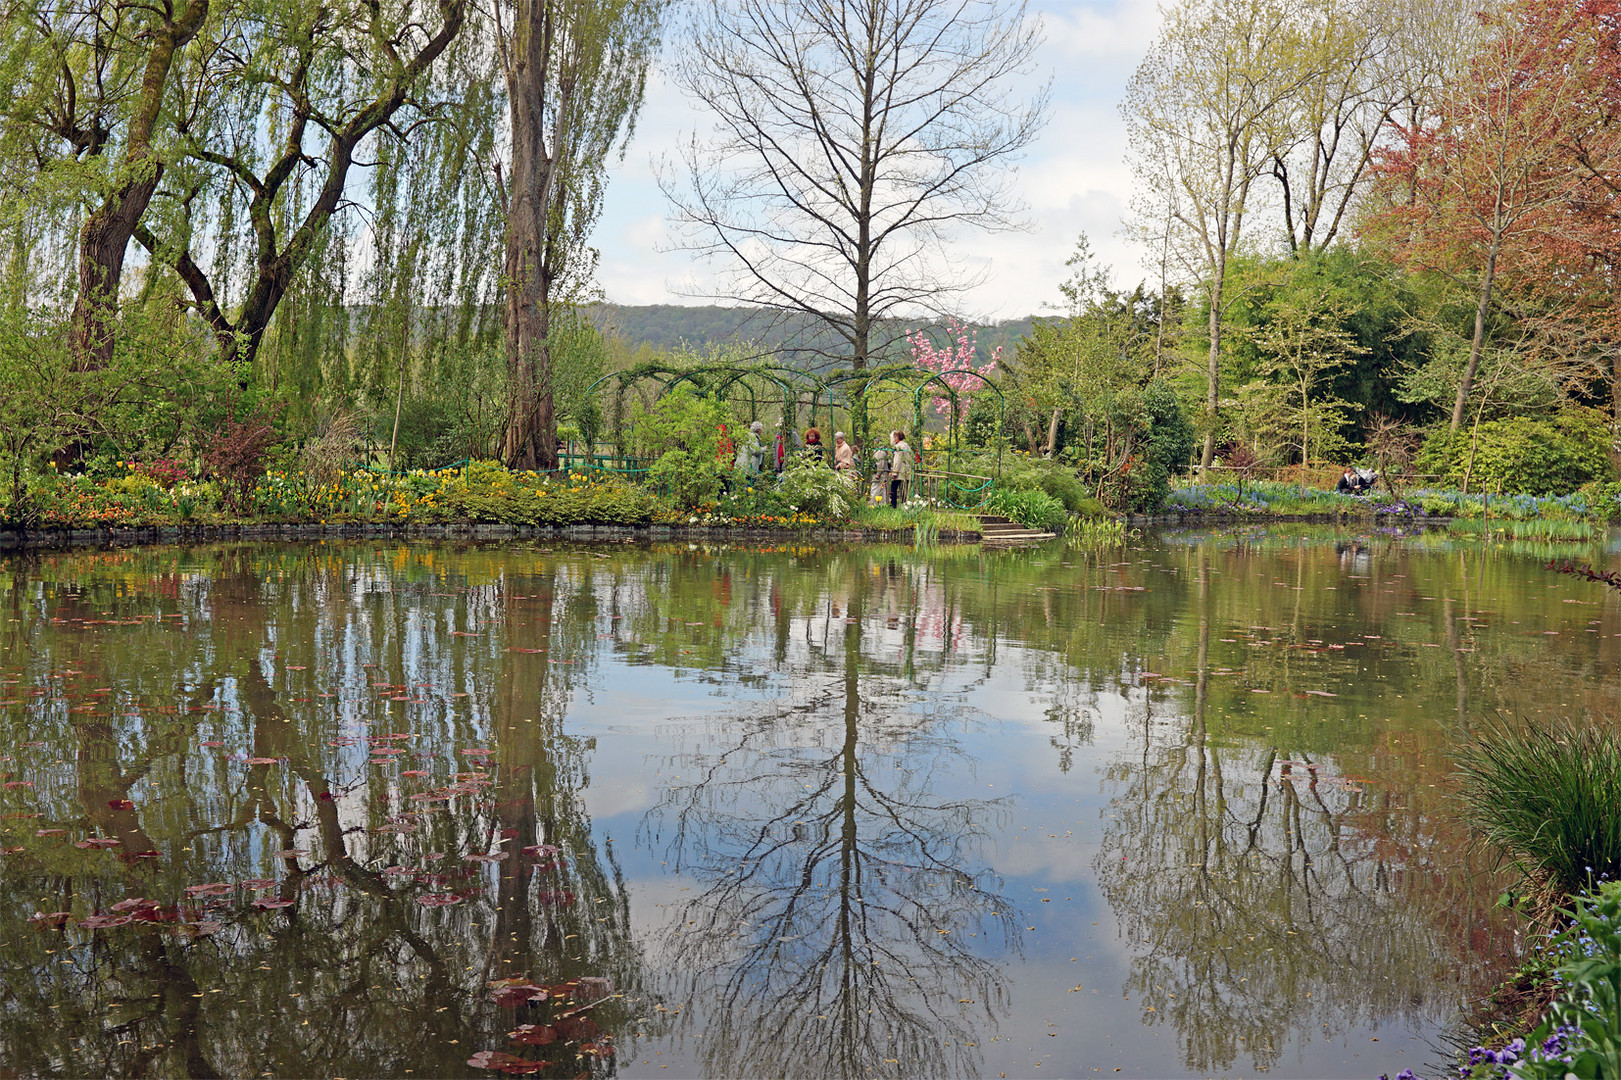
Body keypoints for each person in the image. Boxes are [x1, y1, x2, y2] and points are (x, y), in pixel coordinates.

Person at [889, 429, 913, 507]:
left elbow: (897, 460)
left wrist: (894, 472)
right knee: (904, 490)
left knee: (894, 488)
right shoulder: (906, 445)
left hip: (899, 472)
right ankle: (904, 505)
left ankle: (894, 505)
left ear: (897, 437)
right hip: (906, 471)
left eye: (894, 437)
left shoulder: (899, 447)